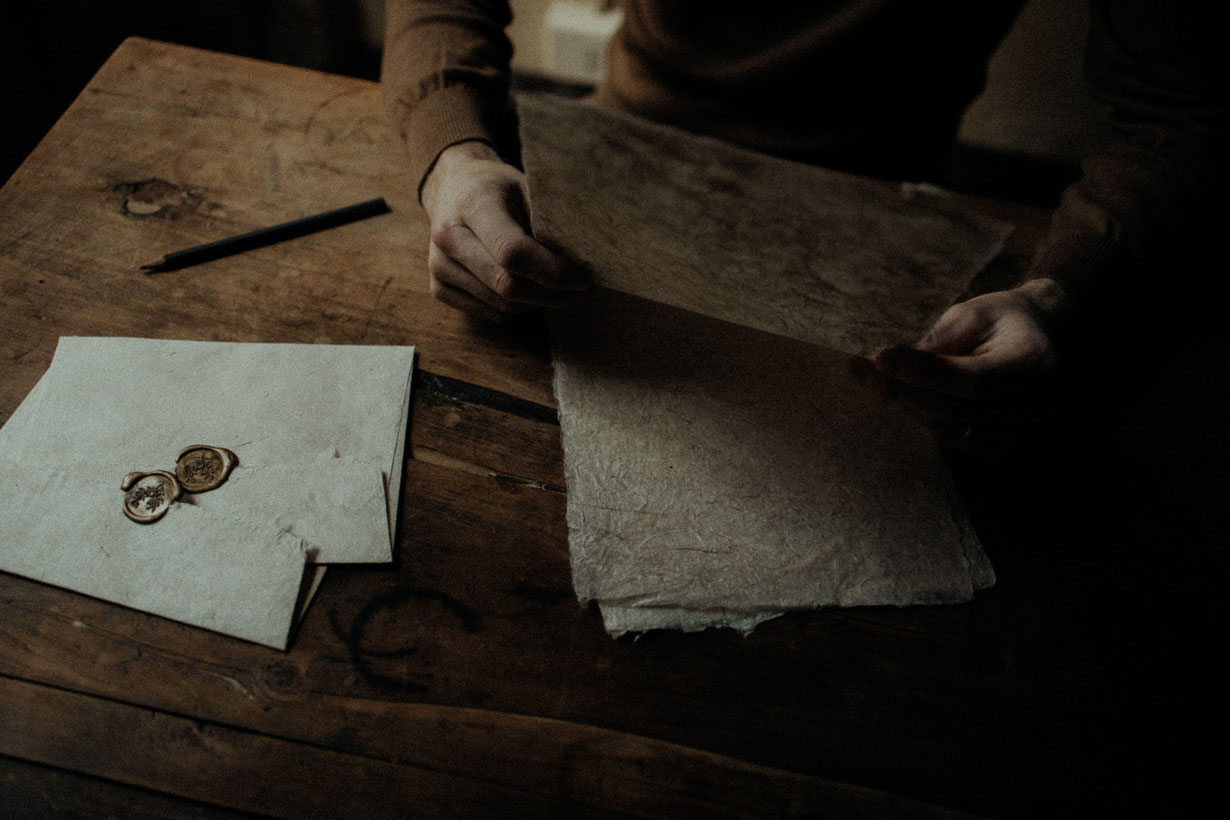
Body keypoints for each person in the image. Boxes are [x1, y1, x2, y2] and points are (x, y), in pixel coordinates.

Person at [381, 0, 1223, 444]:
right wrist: (453, 153)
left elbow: (1181, 107)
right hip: (608, 190)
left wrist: (1063, 293)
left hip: (891, 237)